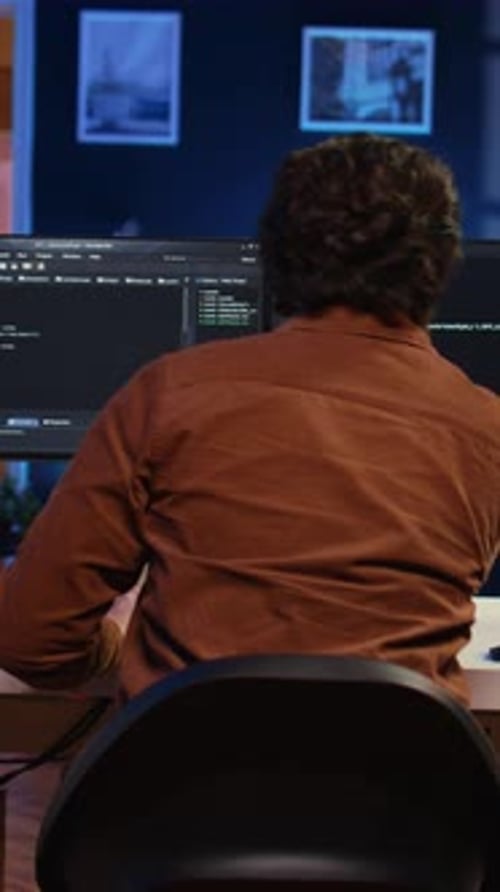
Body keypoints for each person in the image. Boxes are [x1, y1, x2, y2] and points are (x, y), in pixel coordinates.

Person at [0, 133, 499, 706]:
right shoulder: (487, 430)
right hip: (410, 788)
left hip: (176, 786)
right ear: (442, 264)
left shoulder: (169, 394)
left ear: (277, 253)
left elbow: (31, 641)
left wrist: (124, 649)